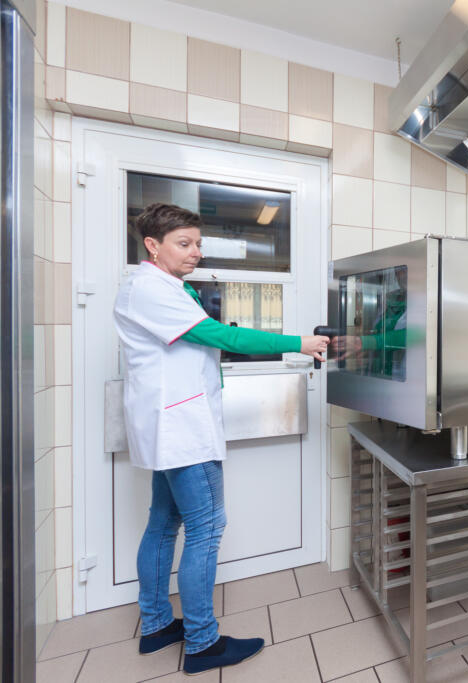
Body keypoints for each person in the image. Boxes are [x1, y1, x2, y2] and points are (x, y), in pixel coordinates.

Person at [113, 203, 329, 675]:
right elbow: (219, 337)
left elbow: (202, 345)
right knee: (206, 529)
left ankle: (156, 626)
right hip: (181, 429)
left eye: (198, 243)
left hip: (168, 426)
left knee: (163, 523)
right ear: (152, 245)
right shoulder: (151, 289)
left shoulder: (162, 288)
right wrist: (299, 343)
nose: (195, 252)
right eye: (184, 244)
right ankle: (202, 643)